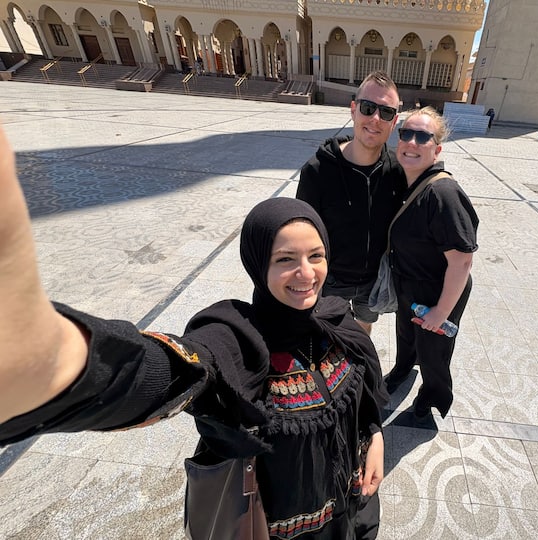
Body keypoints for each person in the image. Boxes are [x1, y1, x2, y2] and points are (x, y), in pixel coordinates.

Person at [0, 121, 388, 539]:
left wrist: (374, 435)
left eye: (316, 255)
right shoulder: (237, 338)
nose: (306, 274)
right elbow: (169, 371)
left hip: (349, 513)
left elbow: (364, 396)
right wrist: (59, 363)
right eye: (284, 260)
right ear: (257, 264)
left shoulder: (335, 320)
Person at [382, 107, 478, 426]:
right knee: (406, 335)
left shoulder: (442, 193)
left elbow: (462, 260)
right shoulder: (406, 182)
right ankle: (401, 370)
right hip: (409, 284)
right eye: (406, 133)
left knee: (434, 351)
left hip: (439, 290)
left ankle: (432, 395)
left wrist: (440, 312)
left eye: (423, 137)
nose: (412, 141)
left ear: (436, 149)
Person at [297, 71, 406, 335]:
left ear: (394, 122)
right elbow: (301, 234)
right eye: (368, 108)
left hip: (374, 280)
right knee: (328, 336)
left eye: (386, 112)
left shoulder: (398, 171)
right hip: (330, 280)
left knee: (362, 332)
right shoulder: (318, 170)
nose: (375, 119)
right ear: (353, 110)